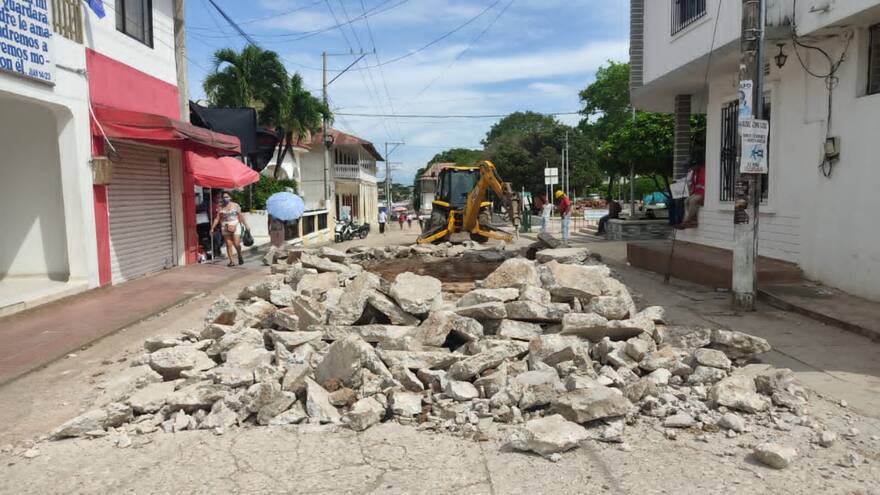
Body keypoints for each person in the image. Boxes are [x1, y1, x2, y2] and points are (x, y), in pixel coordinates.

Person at [210, 191, 250, 267]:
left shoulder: (235, 205)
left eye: (227, 197)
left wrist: (246, 225)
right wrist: (212, 227)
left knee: (236, 243)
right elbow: (217, 218)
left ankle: (239, 255)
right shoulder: (220, 207)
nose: (225, 198)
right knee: (228, 244)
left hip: (235, 224)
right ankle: (231, 261)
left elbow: (241, 216)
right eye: (224, 197)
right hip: (225, 226)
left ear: (230, 197)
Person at [678, 164, 705, 229]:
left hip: (704, 193)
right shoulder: (694, 172)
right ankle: (693, 220)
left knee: (693, 201)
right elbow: (692, 182)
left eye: (692, 167)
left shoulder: (703, 171)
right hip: (697, 192)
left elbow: (705, 182)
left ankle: (687, 221)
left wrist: (701, 186)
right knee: (686, 201)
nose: (691, 169)